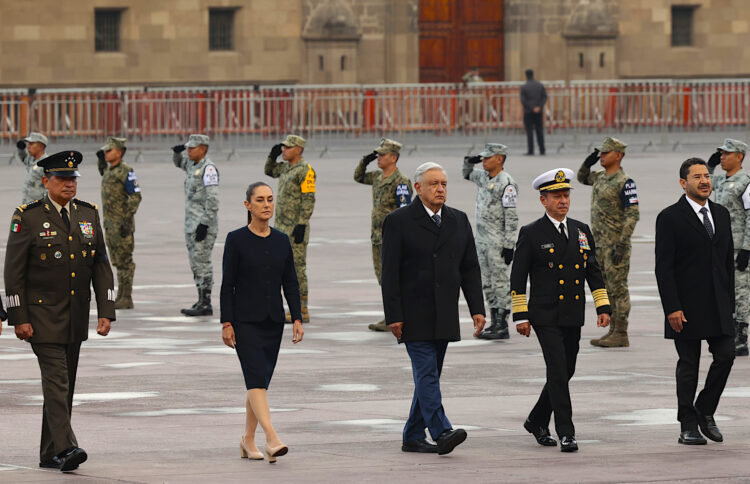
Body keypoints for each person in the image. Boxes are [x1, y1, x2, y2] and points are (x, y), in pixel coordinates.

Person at [3, 150, 116, 472]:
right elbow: (14, 273)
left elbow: (100, 265)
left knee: (64, 386)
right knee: (57, 383)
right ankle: (67, 448)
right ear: (46, 181)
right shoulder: (28, 217)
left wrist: (106, 309)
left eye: (73, 179)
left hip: (75, 316)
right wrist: (18, 318)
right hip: (40, 319)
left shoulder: (88, 214)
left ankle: (48, 452)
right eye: (62, 179)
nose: (69, 184)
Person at [381, 162, 485, 456]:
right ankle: (441, 431)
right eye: (433, 184)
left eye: (444, 184)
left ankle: (413, 436)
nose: (440, 189)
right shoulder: (398, 221)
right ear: (418, 188)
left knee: (429, 376)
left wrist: (477, 308)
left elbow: (470, 268)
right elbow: (389, 273)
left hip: (444, 314)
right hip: (413, 314)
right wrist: (394, 315)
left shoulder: (458, 220)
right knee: (426, 373)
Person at [511, 168, 611, 453]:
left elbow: (593, 270)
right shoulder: (531, 233)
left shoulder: (581, 230)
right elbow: (518, 277)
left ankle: (536, 420)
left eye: (566, 195)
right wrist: (521, 315)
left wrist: (603, 306)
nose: (563, 200)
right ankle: (566, 432)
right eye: (556, 196)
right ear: (543, 200)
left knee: (566, 370)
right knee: (557, 369)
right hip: (543, 314)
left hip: (571, 312)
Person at [220, 181, 304, 464]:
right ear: (248, 205)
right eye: (260, 200)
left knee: (259, 383)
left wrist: (297, 317)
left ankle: (246, 439)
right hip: (244, 321)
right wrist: (226, 322)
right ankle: (271, 438)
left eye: (270, 199)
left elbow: (290, 281)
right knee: (256, 378)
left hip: (272, 321)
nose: (267, 204)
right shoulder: (236, 239)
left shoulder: (282, 240)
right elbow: (227, 284)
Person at [655, 157, 735, 446]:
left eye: (707, 176)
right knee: (689, 365)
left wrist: (731, 305)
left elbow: (726, 263)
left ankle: (704, 410)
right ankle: (687, 424)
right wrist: (672, 308)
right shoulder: (670, 217)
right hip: (685, 307)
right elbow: (663, 268)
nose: (704, 181)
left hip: (718, 304)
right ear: (683, 183)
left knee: (726, 355)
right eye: (697, 177)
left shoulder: (722, 214)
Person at [577, 137, 640, 347]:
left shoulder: (625, 182)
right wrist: (588, 161)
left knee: (618, 288)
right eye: (600, 153)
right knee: (605, 288)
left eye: (605, 153)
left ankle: (621, 332)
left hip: (615, 246)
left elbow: (633, 214)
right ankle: (612, 330)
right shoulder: (601, 177)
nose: (601, 156)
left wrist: (622, 242)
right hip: (600, 244)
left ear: (618, 155)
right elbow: (581, 177)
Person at [354, 138, 412, 332]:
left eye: (382, 155)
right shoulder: (378, 178)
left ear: (393, 157)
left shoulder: (401, 181)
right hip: (377, 237)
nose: (378, 158)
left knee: (393, 278)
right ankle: (392, 315)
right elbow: (358, 177)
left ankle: (397, 316)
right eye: (377, 154)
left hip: (392, 238)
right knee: (383, 278)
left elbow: (406, 211)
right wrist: (365, 160)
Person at [463, 143, 518, 339]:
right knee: (486, 282)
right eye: (483, 158)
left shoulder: (506, 183)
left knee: (500, 282)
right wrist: (470, 161)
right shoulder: (483, 177)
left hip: (497, 241)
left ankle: (502, 323)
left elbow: (511, 217)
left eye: (488, 158)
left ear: (500, 159)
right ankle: (494, 320)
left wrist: (509, 245)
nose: (484, 161)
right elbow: (466, 173)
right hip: (482, 240)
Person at [264, 134, 316, 323]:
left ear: (299, 150)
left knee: (297, 268)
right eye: (283, 147)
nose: (284, 150)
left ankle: (302, 309)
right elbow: (269, 171)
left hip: (296, 228)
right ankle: (286, 306)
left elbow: (309, 199)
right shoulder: (286, 167)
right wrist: (272, 155)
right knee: (280, 266)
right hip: (281, 227)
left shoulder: (305, 171)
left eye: (287, 147)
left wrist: (302, 223)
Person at [706, 139, 750, 357]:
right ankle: (727, 332)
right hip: (721, 245)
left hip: (738, 246)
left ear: (739, 156)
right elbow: (702, 183)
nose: (722, 157)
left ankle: (741, 338)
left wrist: (747, 248)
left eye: (726, 154)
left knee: (740, 291)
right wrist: (709, 166)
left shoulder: (746, 182)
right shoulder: (721, 179)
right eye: (721, 154)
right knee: (724, 290)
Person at [172, 134, 219, 316]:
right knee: (195, 263)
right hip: (192, 224)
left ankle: (206, 302)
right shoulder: (193, 165)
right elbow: (180, 163)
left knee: (203, 262)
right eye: (188, 148)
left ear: (203, 149)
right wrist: (177, 154)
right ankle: (200, 299)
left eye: (193, 148)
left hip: (202, 225)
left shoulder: (208, 169)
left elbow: (213, 199)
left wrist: (205, 224)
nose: (189, 151)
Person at [96, 137, 142, 310]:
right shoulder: (110, 171)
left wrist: (127, 218)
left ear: (120, 152)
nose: (106, 154)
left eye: (109, 151)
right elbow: (103, 173)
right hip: (110, 224)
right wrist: (100, 160)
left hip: (122, 224)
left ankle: (126, 296)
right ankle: (121, 295)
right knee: (116, 260)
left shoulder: (126, 171)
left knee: (125, 261)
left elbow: (136, 196)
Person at [16, 132, 49, 203]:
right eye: (28, 144)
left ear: (41, 146)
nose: (28, 146)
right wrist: (21, 149)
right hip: (27, 202)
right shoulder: (31, 159)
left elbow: (50, 188)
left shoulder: (46, 163)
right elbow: (24, 158)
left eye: (31, 144)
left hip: (38, 206)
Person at [520, 69, 547, 156]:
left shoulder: (524, 87)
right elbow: (544, 97)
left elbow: (523, 100)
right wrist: (539, 106)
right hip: (538, 111)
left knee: (529, 132)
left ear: (526, 75)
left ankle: (531, 150)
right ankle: (542, 149)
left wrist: (531, 108)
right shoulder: (540, 85)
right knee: (540, 130)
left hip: (528, 112)